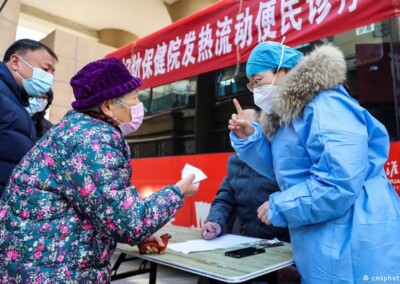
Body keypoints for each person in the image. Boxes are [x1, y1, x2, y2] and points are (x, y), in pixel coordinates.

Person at [0, 57, 200, 282]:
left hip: (40, 266)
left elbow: (101, 209)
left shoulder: (74, 131)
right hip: (56, 273)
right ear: (107, 106)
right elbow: (129, 223)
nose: (138, 106)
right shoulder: (94, 141)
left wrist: (141, 237)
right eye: (134, 98)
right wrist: (178, 191)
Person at [228, 41, 400, 282]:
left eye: (259, 80)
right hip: (326, 230)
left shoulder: (325, 106)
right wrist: (252, 139)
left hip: (354, 231)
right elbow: (286, 170)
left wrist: (281, 206)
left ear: (284, 71)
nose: (255, 90)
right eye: (251, 84)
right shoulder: (291, 115)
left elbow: (339, 183)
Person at [202, 109, 289, 242]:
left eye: (247, 126)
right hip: (248, 242)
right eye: (237, 128)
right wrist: (215, 221)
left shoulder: (278, 159)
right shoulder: (234, 162)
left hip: (282, 244)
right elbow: (224, 200)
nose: (242, 131)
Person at [0, 39, 58, 196]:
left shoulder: (17, 101)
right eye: (46, 69)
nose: (49, 78)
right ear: (15, 61)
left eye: (52, 73)